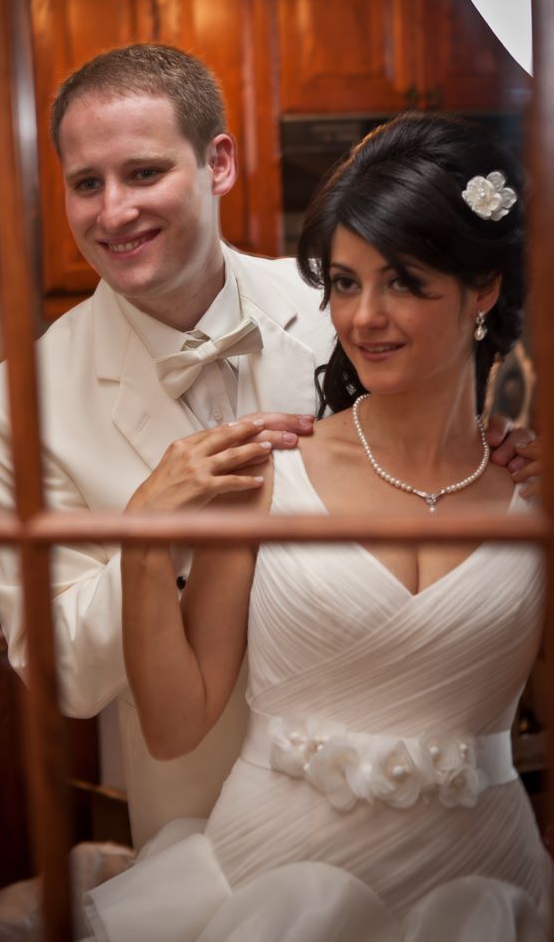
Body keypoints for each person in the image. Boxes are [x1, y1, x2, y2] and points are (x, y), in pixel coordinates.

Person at [0, 44, 536, 851]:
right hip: (204, 815)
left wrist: (505, 456)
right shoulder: (19, 405)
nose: (113, 211)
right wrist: (153, 532)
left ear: (218, 164)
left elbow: (439, 445)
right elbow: (59, 672)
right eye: (86, 183)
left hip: (433, 814)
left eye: (142, 173)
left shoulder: (351, 299)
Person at [82, 111, 550, 941]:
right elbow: (175, 725)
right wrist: (142, 540)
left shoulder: (531, 494)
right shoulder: (271, 476)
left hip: (489, 878)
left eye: (401, 281)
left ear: (481, 289)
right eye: (343, 282)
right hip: (268, 882)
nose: (362, 316)